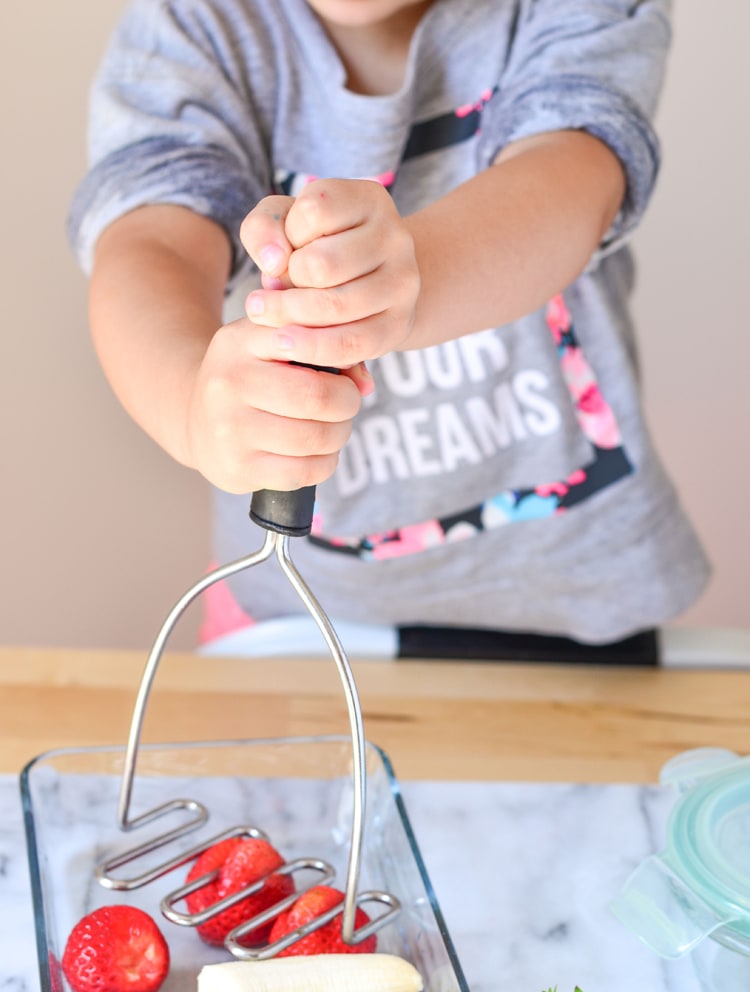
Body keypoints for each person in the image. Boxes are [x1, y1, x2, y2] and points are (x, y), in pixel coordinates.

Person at [68, 0, 710, 663]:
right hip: (290, 620)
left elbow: (575, 173)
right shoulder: (192, 24)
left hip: (580, 609)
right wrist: (187, 408)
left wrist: (413, 276)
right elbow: (151, 242)